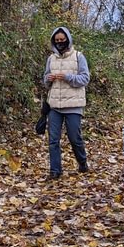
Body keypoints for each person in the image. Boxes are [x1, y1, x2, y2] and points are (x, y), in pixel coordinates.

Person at [43, 26, 90, 178]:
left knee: (75, 139)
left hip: (74, 106)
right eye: (57, 40)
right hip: (54, 105)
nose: (60, 42)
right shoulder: (51, 58)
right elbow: (45, 81)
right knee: (53, 140)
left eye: (62, 40)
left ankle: (82, 163)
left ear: (68, 40)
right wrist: (48, 79)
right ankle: (55, 171)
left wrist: (68, 77)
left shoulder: (78, 56)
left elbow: (85, 78)